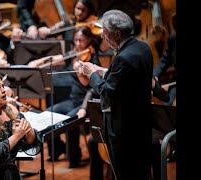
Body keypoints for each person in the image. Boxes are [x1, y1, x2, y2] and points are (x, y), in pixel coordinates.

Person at [79, 9, 153, 179]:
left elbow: (107, 93)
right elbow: (127, 79)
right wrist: (104, 71)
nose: (103, 36)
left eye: (105, 32)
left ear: (117, 34)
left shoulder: (123, 58)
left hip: (125, 132)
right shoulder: (142, 47)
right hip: (142, 126)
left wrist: (92, 75)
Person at [41, 25, 102, 168]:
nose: (78, 44)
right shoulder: (75, 54)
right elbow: (55, 58)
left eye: (81, 40)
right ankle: (58, 149)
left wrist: (84, 108)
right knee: (49, 113)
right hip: (73, 100)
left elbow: (91, 89)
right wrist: (37, 63)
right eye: (75, 40)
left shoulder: (92, 60)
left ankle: (74, 157)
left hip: (86, 102)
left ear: (88, 40)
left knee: (69, 121)